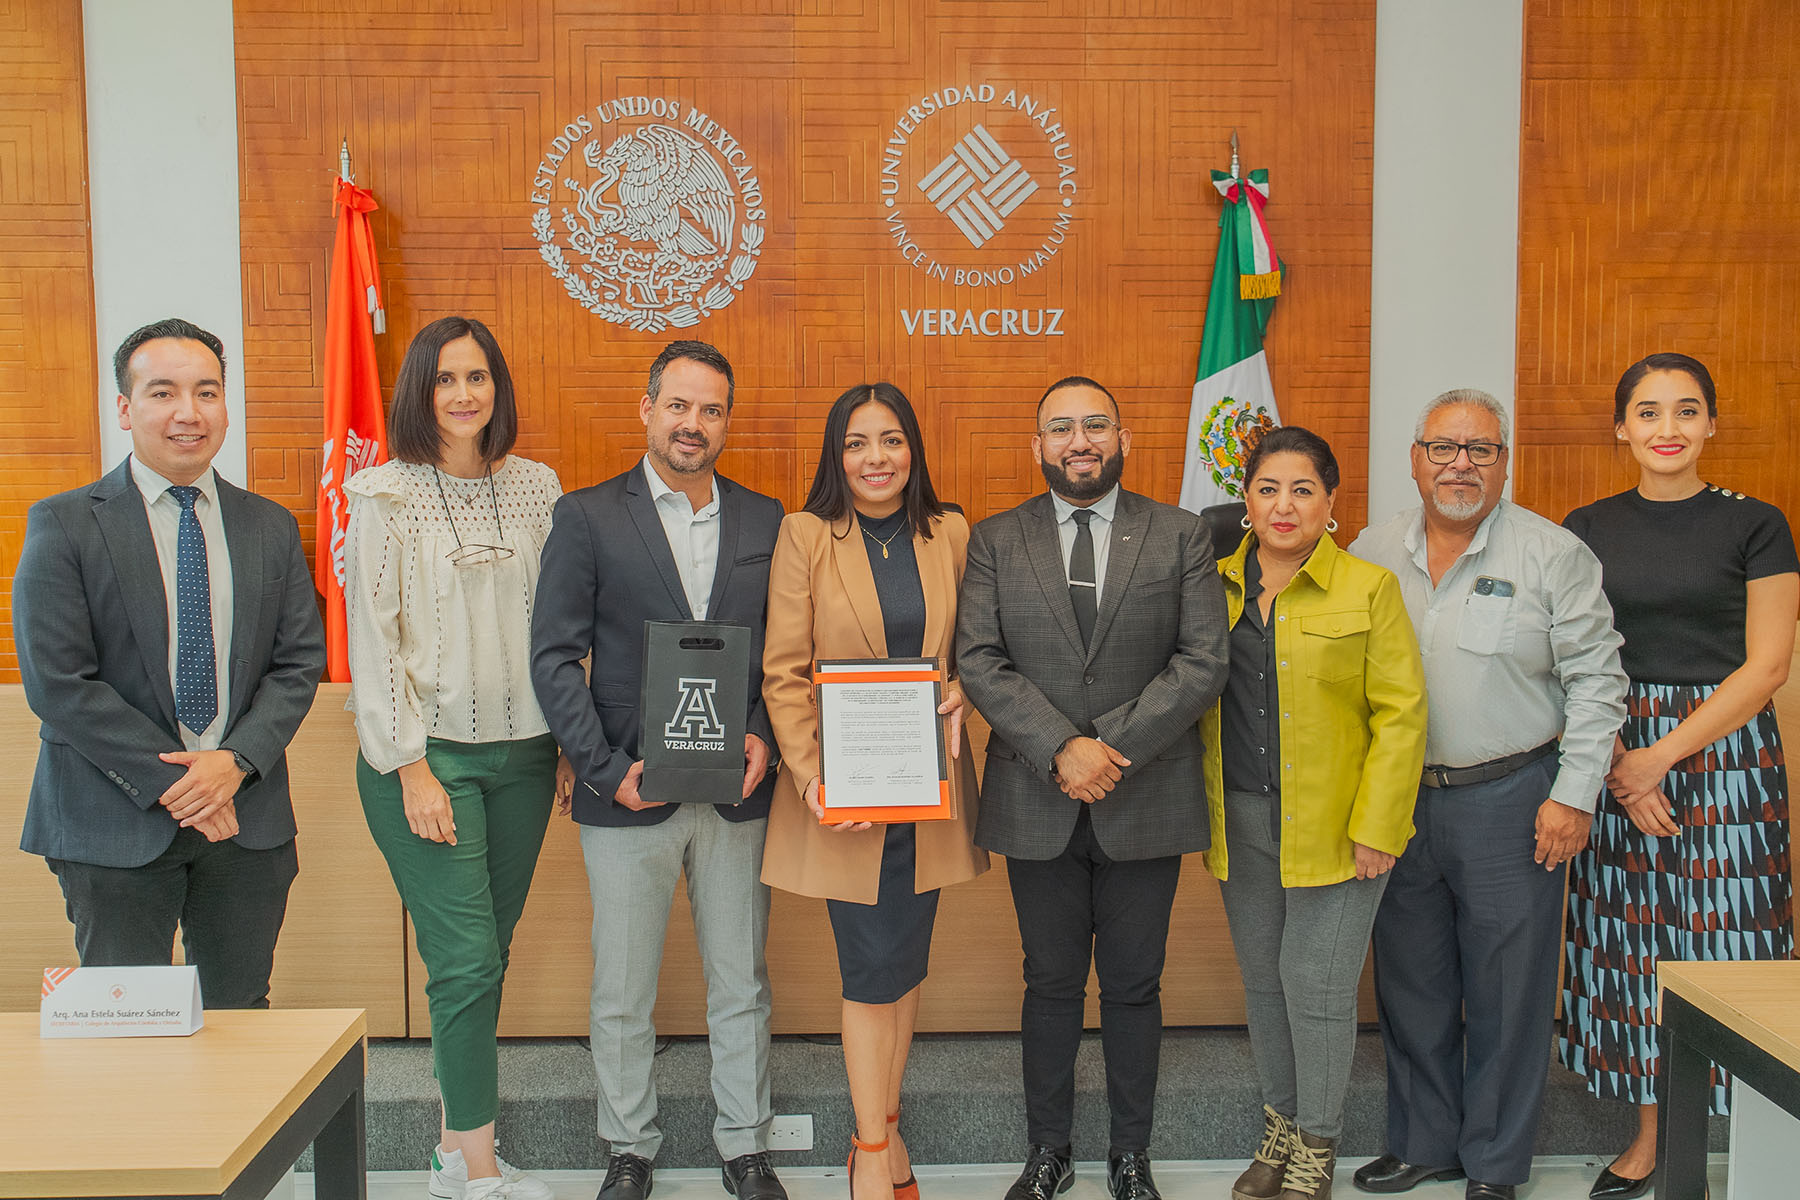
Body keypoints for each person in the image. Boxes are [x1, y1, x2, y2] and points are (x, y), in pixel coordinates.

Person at [1348, 388, 1628, 1200]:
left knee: (1508, 991)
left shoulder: (1552, 554)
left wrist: (1575, 796)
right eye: (1444, 448)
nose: (1460, 465)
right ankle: (1425, 1142)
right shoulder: (1370, 549)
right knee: (1411, 983)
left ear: (1505, 463)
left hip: (1513, 799)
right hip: (1400, 803)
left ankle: (1497, 1165)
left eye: (1481, 450)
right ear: (1416, 457)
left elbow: (1598, 683)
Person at [957, 376, 1229, 1200]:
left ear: (1124, 438)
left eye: (1096, 426)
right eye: (1062, 428)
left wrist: (1105, 748)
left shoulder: (1180, 534)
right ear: (1036, 445)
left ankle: (1130, 1157)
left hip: (1143, 795)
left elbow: (1203, 661)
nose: (1081, 441)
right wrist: (1059, 748)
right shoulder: (996, 540)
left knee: (1135, 986)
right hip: (1036, 797)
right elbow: (978, 660)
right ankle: (1048, 1153)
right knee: (1048, 983)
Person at [531, 340, 788, 1200]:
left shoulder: (765, 520)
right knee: (622, 985)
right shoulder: (587, 516)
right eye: (678, 406)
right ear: (647, 410)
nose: (693, 423)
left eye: (711, 409)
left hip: (737, 790)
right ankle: (628, 1148)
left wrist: (762, 735)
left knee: (741, 981)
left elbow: (781, 655)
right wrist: (602, 770)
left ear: (726, 420)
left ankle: (745, 1146)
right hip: (627, 791)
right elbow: (556, 660)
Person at [14, 316, 324, 1009]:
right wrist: (184, 784)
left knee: (242, 1019)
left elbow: (299, 661)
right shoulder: (64, 523)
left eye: (207, 392)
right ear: (124, 409)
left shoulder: (269, 524)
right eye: (163, 393)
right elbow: (58, 682)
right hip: (111, 821)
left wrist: (233, 764)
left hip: (246, 820)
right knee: (128, 1036)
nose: (189, 412)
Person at [1558, 353, 1798, 1200]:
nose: (1669, 429)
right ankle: (1653, 1137)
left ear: (1711, 426)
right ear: (1621, 427)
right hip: (1611, 739)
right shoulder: (1585, 526)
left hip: (1724, 759)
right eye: (1649, 412)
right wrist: (1622, 759)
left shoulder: (1756, 524)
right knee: (1632, 949)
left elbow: (1767, 666)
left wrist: (1659, 757)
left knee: (1727, 944)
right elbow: (1572, 655)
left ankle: (1756, 1134)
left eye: (1687, 411)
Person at [345, 315, 569, 1200]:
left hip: (524, 755)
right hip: (429, 759)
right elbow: (373, 639)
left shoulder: (539, 488)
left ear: (497, 388)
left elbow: (560, 628)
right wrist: (407, 764)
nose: (464, 395)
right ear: (418, 392)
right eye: (445, 380)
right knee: (467, 961)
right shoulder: (383, 494)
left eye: (477, 377)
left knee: (486, 956)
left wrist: (564, 740)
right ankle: (477, 1175)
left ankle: (450, 1148)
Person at [761, 383, 990, 1200]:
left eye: (891, 441)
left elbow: (979, 648)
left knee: (907, 961)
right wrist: (813, 778)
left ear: (913, 449)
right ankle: (867, 1152)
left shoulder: (950, 532)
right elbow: (783, 672)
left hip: (925, 792)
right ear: (837, 454)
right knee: (869, 969)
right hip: (846, 799)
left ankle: (888, 1127)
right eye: (858, 443)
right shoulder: (806, 536)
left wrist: (966, 687)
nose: (876, 459)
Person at [1202, 427, 1428, 1200]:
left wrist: (1380, 825)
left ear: (1332, 505)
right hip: (1239, 819)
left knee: (1316, 983)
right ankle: (1281, 1125)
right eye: (1268, 488)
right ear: (1246, 501)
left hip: (1340, 824)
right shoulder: (1211, 585)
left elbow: (1401, 715)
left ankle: (1318, 1148)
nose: (1284, 505)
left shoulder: (1368, 589)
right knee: (1266, 981)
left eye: (1303, 490)